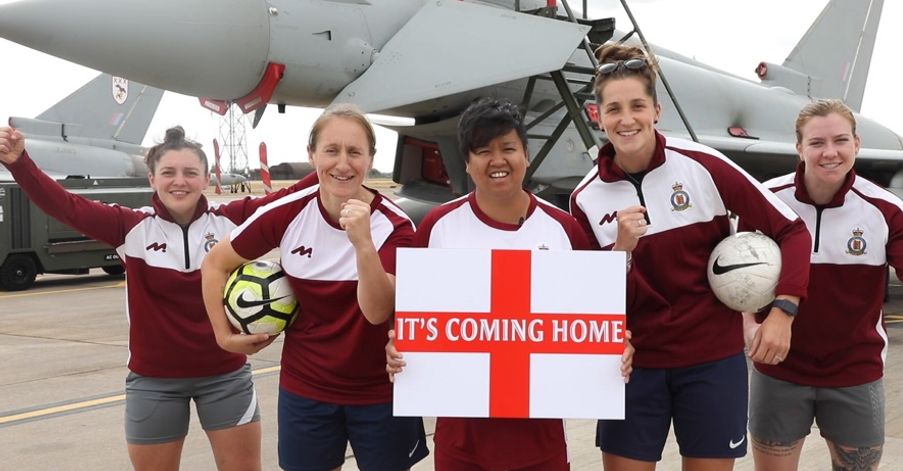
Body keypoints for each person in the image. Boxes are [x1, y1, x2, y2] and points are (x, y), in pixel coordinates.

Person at [0, 125, 315, 471]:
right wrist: (20, 163)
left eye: (190, 172)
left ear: (207, 178)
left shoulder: (233, 221)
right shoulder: (129, 226)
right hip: (153, 383)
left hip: (225, 377)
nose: (179, 181)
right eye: (168, 172)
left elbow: (289, 199)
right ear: (151, 178)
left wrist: (331, 166)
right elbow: (65, 206)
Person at [568, 43, 813, 471]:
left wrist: (783, 312)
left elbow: (791, 230)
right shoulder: (586, 198)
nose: (627, 119)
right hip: (632, 368)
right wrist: (623, 249)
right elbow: (591, 296)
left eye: (638, 106)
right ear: (598, 116)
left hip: (711, 362)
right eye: (614, 109)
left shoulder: (702, 165)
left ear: (657, 111)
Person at [385, 97, 634, 470]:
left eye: (508, 148)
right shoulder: (438, 227)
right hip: (461, 443)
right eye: (483, 151)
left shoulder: (563, 229)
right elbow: (411, 318)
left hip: (540, 443)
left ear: (526, 155)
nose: (497, 160)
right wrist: (396, 346)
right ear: (467, 163)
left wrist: (616, 346)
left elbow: (591, 318)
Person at [748, 99, 903, 471]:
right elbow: (734, 276)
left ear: (856, 144)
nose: (830, 153)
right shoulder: (766, 201)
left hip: (855, 372)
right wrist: (749, 326)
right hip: (779, 370)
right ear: (799, 148)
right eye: (817, 143)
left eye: (840, 140)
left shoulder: (885, 210)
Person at [201, 103, 429, 471]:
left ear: (370, 158)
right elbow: (215, 263)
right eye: (331, 150)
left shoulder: (396, 226)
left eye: (355, 152)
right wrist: (223, 336)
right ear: (312, 155)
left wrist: (363, 243)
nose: (343, 164)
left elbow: (376, 310)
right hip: (307, 389)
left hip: (380, 392)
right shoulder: (289, 211)